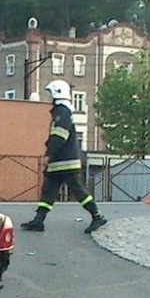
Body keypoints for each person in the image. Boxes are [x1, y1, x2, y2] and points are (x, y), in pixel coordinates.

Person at [21, 80, 107, 234]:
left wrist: (48, 154)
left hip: (65, 161)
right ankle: (38, 220)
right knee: (48, 190)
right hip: (59, 162)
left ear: (56, 93)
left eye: (50, 94)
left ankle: (97, 216)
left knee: (77, 189)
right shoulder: (62, 111)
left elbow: (59, 136)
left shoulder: (62, 112)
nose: (49, 98)